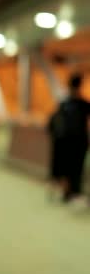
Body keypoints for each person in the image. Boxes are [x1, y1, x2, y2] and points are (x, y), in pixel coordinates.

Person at [47, 73, 90, 204]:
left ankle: (68, 192)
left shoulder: (64, 104)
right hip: (78, 142)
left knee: (67, 167)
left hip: (65, 142)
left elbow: (52, 123)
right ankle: (73, 193)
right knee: (76, 168)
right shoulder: (82, 104)